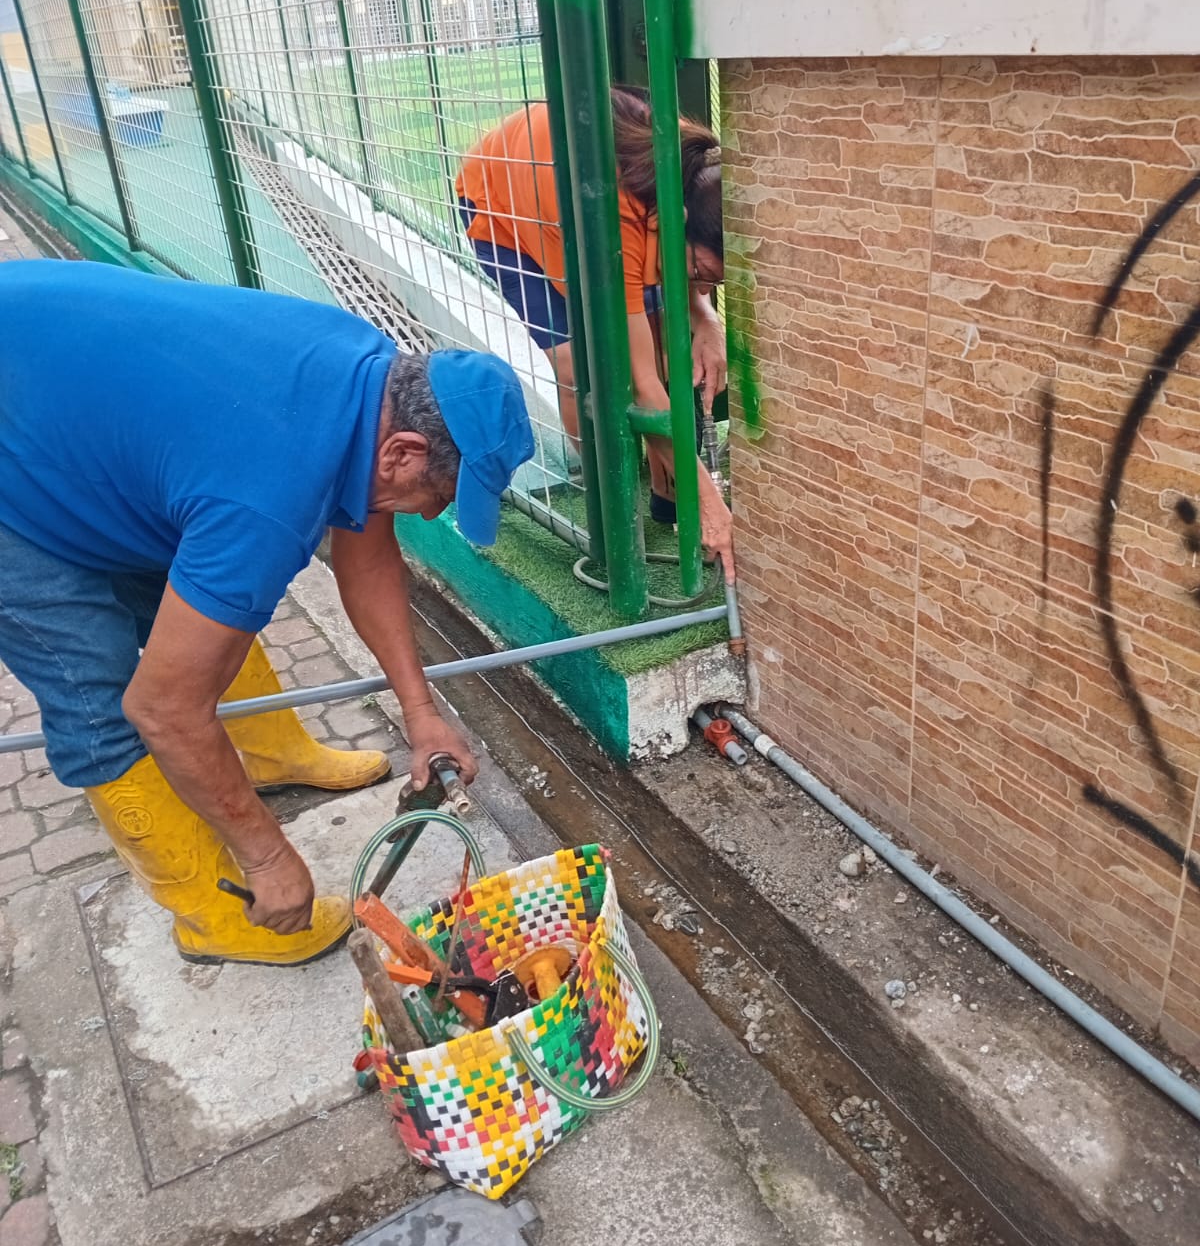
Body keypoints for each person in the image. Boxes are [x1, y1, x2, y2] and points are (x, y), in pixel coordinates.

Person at [0, 261, 533, 967]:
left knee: (202, 605)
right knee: (98, 690)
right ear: (403, 450)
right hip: (19, 454)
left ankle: (268, 755)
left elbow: (370, 559)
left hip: (55, 388)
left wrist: (420, 712)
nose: (433, 514)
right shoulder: (267, 498)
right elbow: (163, 708)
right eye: (439, 496)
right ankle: (217, 917)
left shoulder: (374, 384)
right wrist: (268, 854)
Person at [456, 86, 734, 580]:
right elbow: (641, 385)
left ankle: (669, 498)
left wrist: (704, 314)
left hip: (588, 207)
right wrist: (712, 506)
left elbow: (688, 260)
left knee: (658, 339)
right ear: (677, 221)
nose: (703, 286)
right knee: (578, 366)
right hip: (503, 209)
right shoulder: (617, 218)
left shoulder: (690, 173)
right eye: (700, 275)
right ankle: (613, 508)